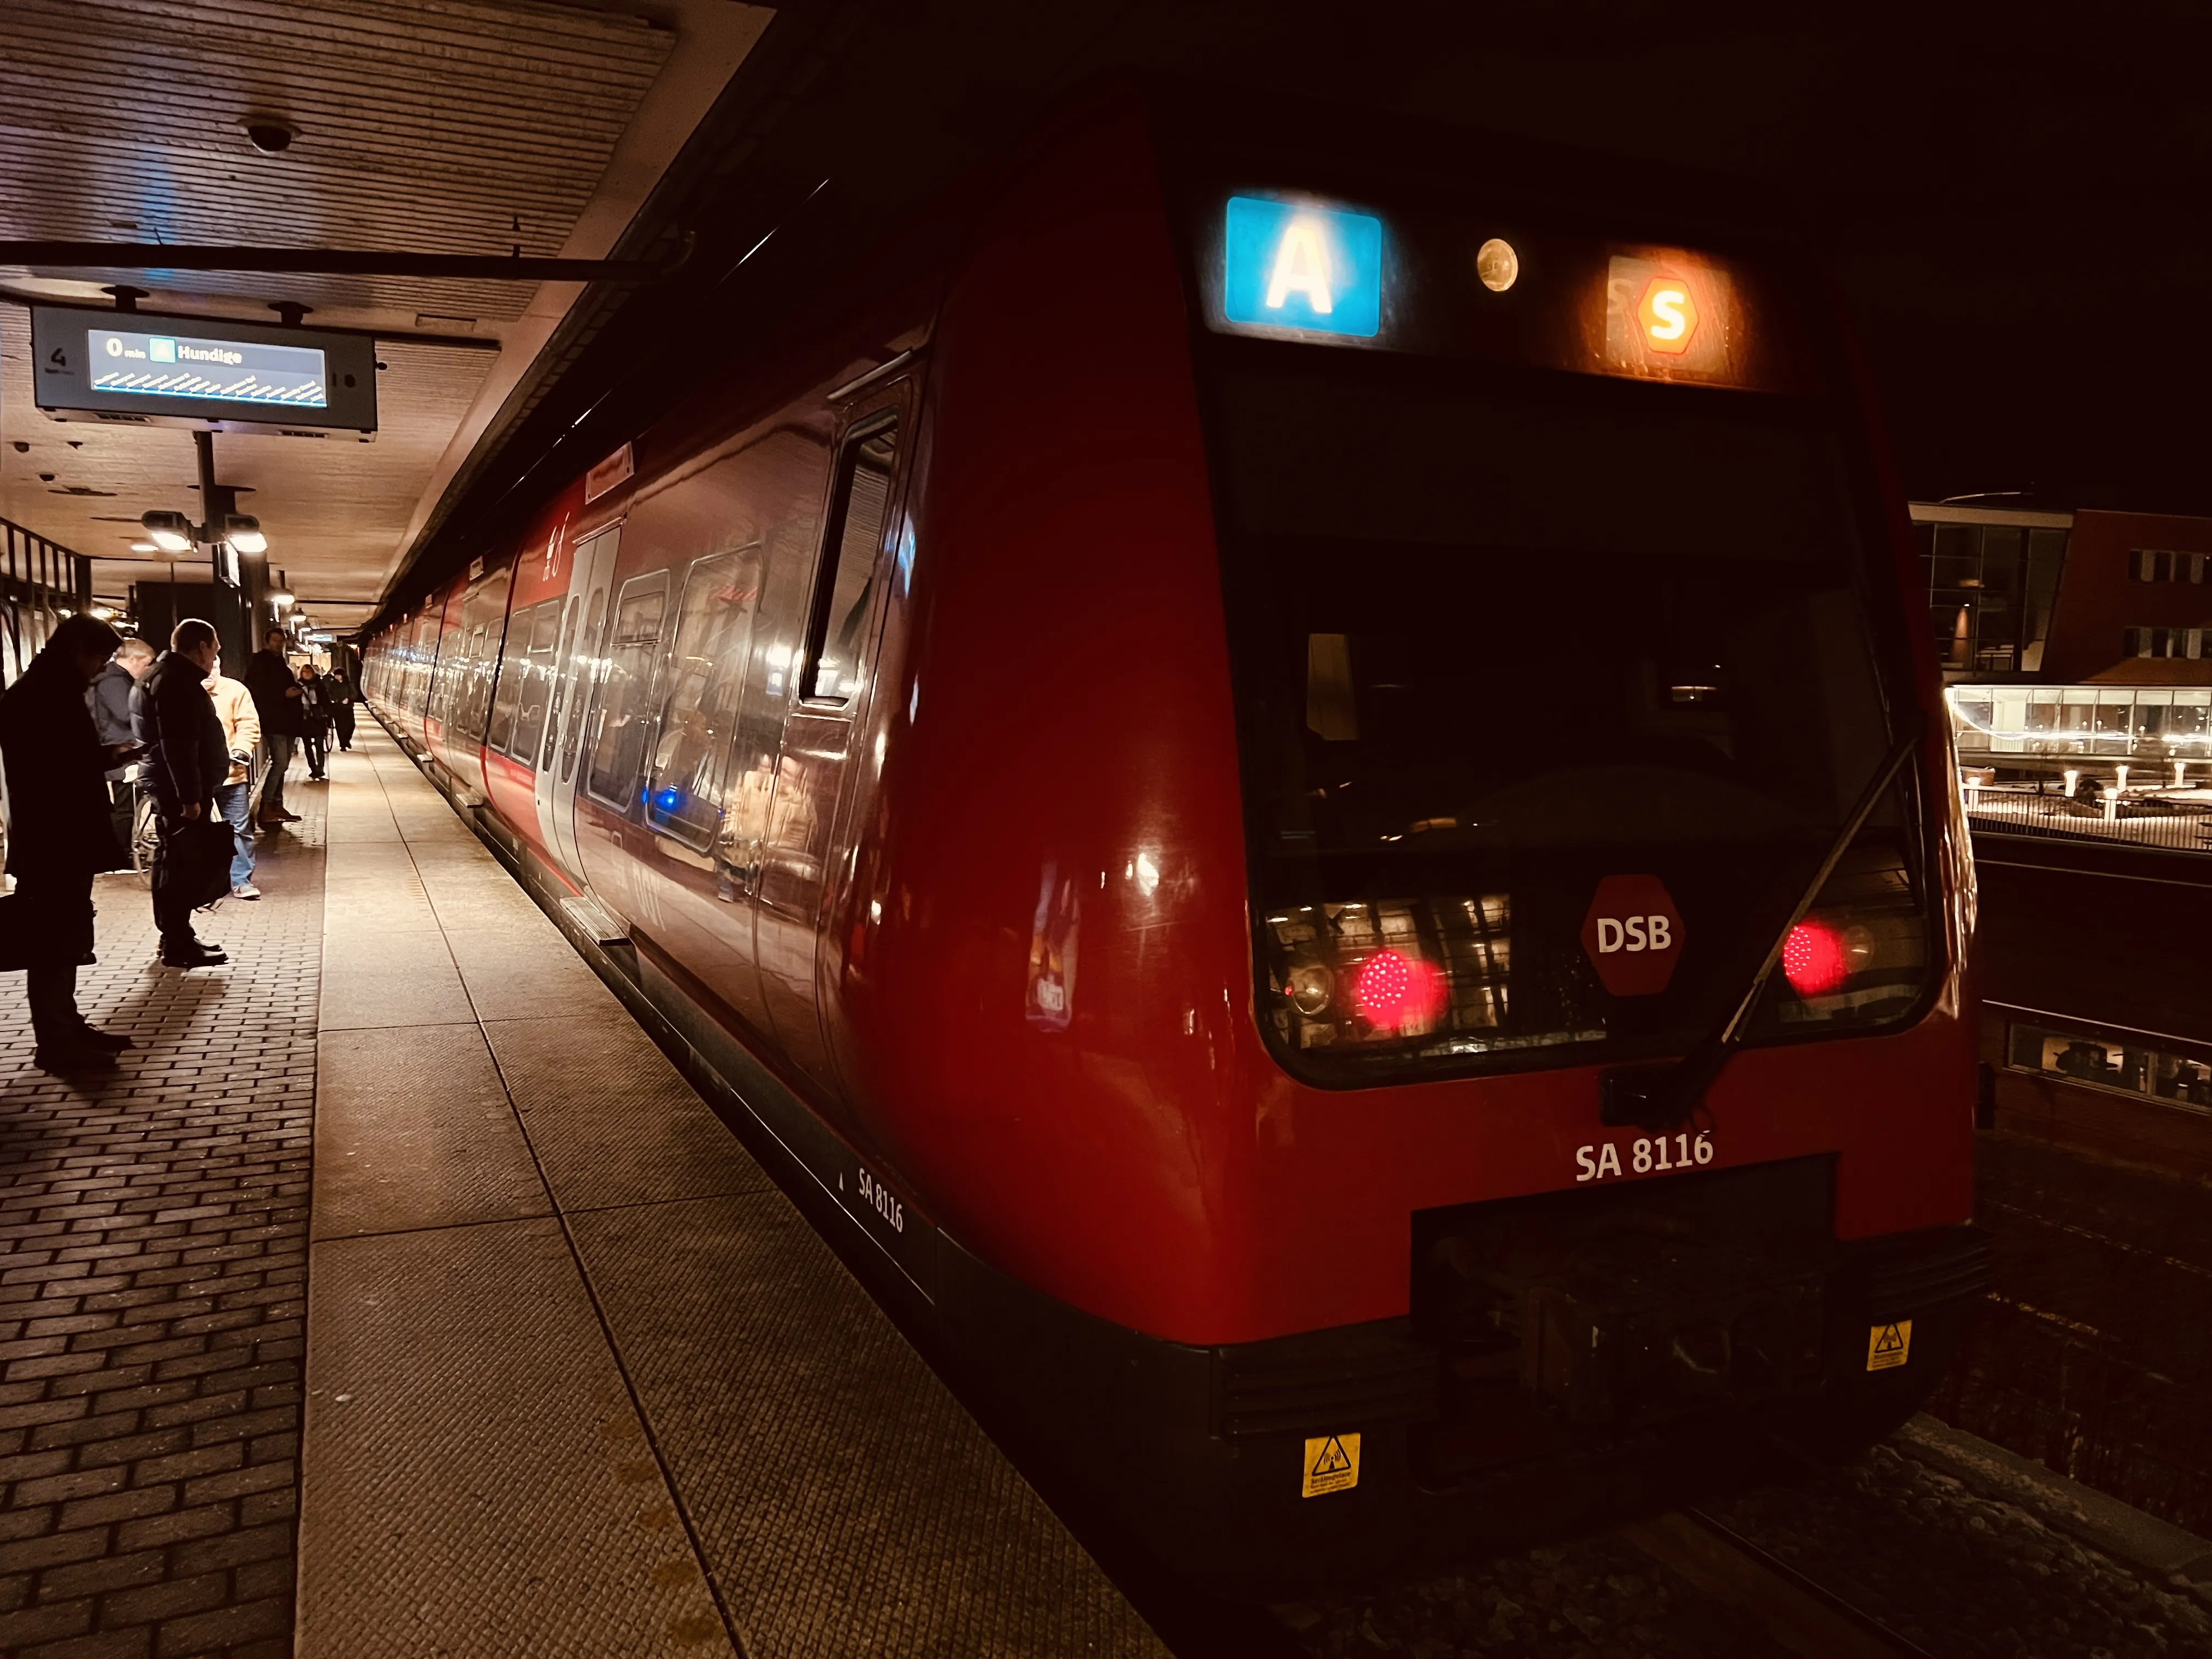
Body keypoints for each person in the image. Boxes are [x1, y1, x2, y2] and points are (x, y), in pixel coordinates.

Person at [0, 612, 136, 1070]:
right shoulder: (39, 696)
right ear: (75, 651)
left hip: (59, 839)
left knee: (64, 936)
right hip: (52, 842)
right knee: (52, 940)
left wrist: (109, 755)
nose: (102, 668)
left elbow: (62, 761)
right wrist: (100, 758)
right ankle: (56, 1043)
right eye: (99, 657)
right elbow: (49, 773)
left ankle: (67, 1026)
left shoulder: (48, 691)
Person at [135, 619, 230, 969]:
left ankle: (177, 937)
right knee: (179, 867)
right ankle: (177, 944)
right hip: (179, 794)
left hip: (168, 786)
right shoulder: (177, 683)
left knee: (174, 864)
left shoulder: (155, 675)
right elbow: (179, 747)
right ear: (202, 647)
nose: (217, 653)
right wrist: (190, 798)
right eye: (215, 647)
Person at [87, 636, 155, 861]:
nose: (148, 669)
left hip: (121, 749)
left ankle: (124, 851)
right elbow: (127, 714)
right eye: (147, 663)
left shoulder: (115, 680)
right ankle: (121, 854)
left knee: (128, 804)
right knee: (125, 806)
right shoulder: (114, 682)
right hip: (121, 752)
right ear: (134, 659)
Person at [205, 662, 261, 900]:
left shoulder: (236, 691)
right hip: (194, 777)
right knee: (196, 831)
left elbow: (248, 724)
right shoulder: (180, 690)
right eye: (205, 668)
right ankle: (205, 881)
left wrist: (242, 750)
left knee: (238, 828)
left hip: (231, 773)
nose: (210, 672)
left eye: (214, 667)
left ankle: (240, 880)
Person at [242, 628, 302, 827]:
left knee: (283, 764)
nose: (279, 644)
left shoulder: (279, 663)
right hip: (272, 721)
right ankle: (267, 806)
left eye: (281, 641)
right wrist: (284, 695)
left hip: (285, 722)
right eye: (275, 641)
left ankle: (277, 804)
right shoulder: (260, 663)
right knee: (280, 763)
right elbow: (259, 692)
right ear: (266, 642)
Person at [297, 662, 331, 780]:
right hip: (305, 720)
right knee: (307, 747)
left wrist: (327, 715)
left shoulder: (320, 685)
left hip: (318, 719)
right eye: (304, 672)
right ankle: (313, 768)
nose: (307, 674)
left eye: (309, 672)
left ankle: (320, 769)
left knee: (319, 745)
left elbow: (326, 701)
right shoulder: (298, 685)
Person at [325, 666, 356, 751]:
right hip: (337, 708)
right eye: (336, 675)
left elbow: (354, 694)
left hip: (348, 708)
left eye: (338, 675)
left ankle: (347, 740)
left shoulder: (348, 683)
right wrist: (337, 701)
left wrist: (349, 699)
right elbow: (329, 694)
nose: (337, 677)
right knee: (340, 727)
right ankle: (343, 745)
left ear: (342, 675)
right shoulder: (332, 684)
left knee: (351, 725)